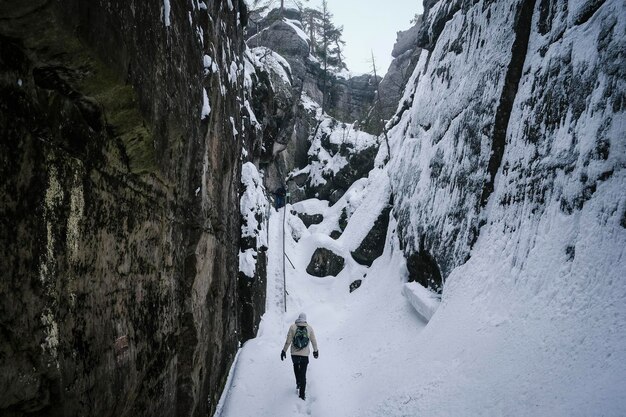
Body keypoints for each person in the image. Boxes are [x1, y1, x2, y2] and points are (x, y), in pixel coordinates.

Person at [281, 312, 318, 400]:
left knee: (296, 367)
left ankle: (298, 382)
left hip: (294, 354)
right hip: (305, 355)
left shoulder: (293, 327)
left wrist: (283, 351)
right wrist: (315, 351)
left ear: (298, 318)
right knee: (303, 374)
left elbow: (288, 341)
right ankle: (302, 394)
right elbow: (313, 341)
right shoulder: (309, 328)